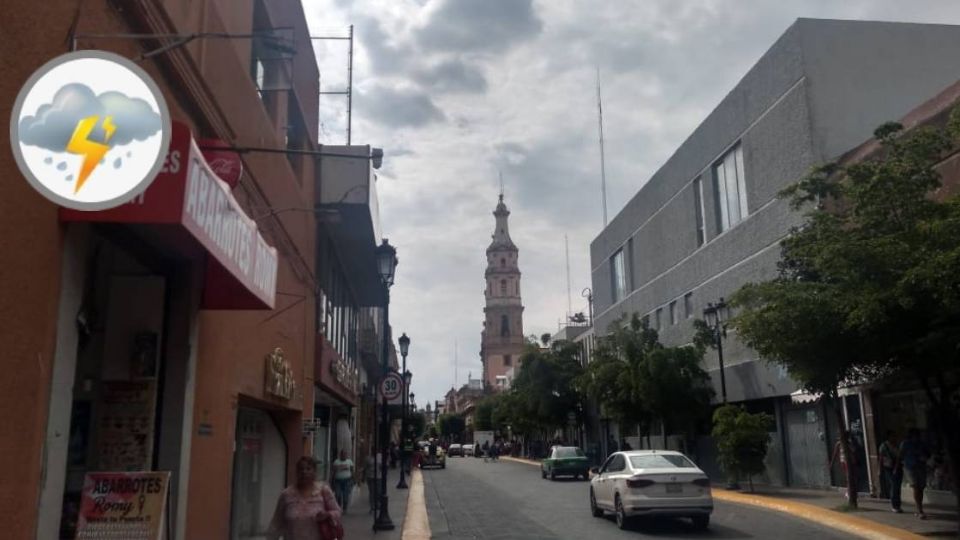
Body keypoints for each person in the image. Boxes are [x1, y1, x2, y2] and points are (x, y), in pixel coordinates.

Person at [268, 456, 342, 540]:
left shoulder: (323, 491)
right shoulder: (286, 494)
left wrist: (327, 515)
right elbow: (276, 523)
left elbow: (338, 512)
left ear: (314, 472)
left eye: (308, 469)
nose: (304, 472)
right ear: (297, 472)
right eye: (301, 469)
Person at [899, 428, 929, 520]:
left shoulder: (922, 443)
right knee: (915, 486)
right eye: (914, 436)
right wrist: (900, 465)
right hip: (910, 467)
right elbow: (900, 455)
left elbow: (928, 454)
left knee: (921, 488)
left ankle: (919, 506)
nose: (916, 438)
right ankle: (919, 509)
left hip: (921, 466)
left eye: (917, 436)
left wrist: (924, 457)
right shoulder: (905, 444)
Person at [878, 430, 903, 513]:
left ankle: (898, 505)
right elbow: (881, 458)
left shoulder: (897, 445)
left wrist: (897, 467)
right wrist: (880, 469)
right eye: (892, 436)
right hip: (888, 468)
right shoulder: (884, 446)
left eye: (895, 436)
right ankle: (894, 505)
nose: (894, 437)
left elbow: (899, 457)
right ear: (888, 437)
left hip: (898, 467)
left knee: (897, 486)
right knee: (894, 486)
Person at [331, 449, 354, 513]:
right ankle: (338, 507)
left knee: (345, 495)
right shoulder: (336, 462)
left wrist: (353, 479)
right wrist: (332, 480)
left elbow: (352, 471)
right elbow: (333, 471)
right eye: (343, 454)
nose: (344, 455)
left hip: (347, 481)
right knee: (338, 495)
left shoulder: (349, 461)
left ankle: (344, 508)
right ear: (340, 455)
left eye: (345, 454)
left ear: (346, 455)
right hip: (338, 481)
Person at [364, 450, 380, 514]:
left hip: (379, 477)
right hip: (370, 477)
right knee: (372, 492)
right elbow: (365, 467)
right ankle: (372, 507)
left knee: (378, 491)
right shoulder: (368, 458)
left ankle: (377, 504)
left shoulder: (380, 457)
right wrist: (363, 477)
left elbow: (386, 465)